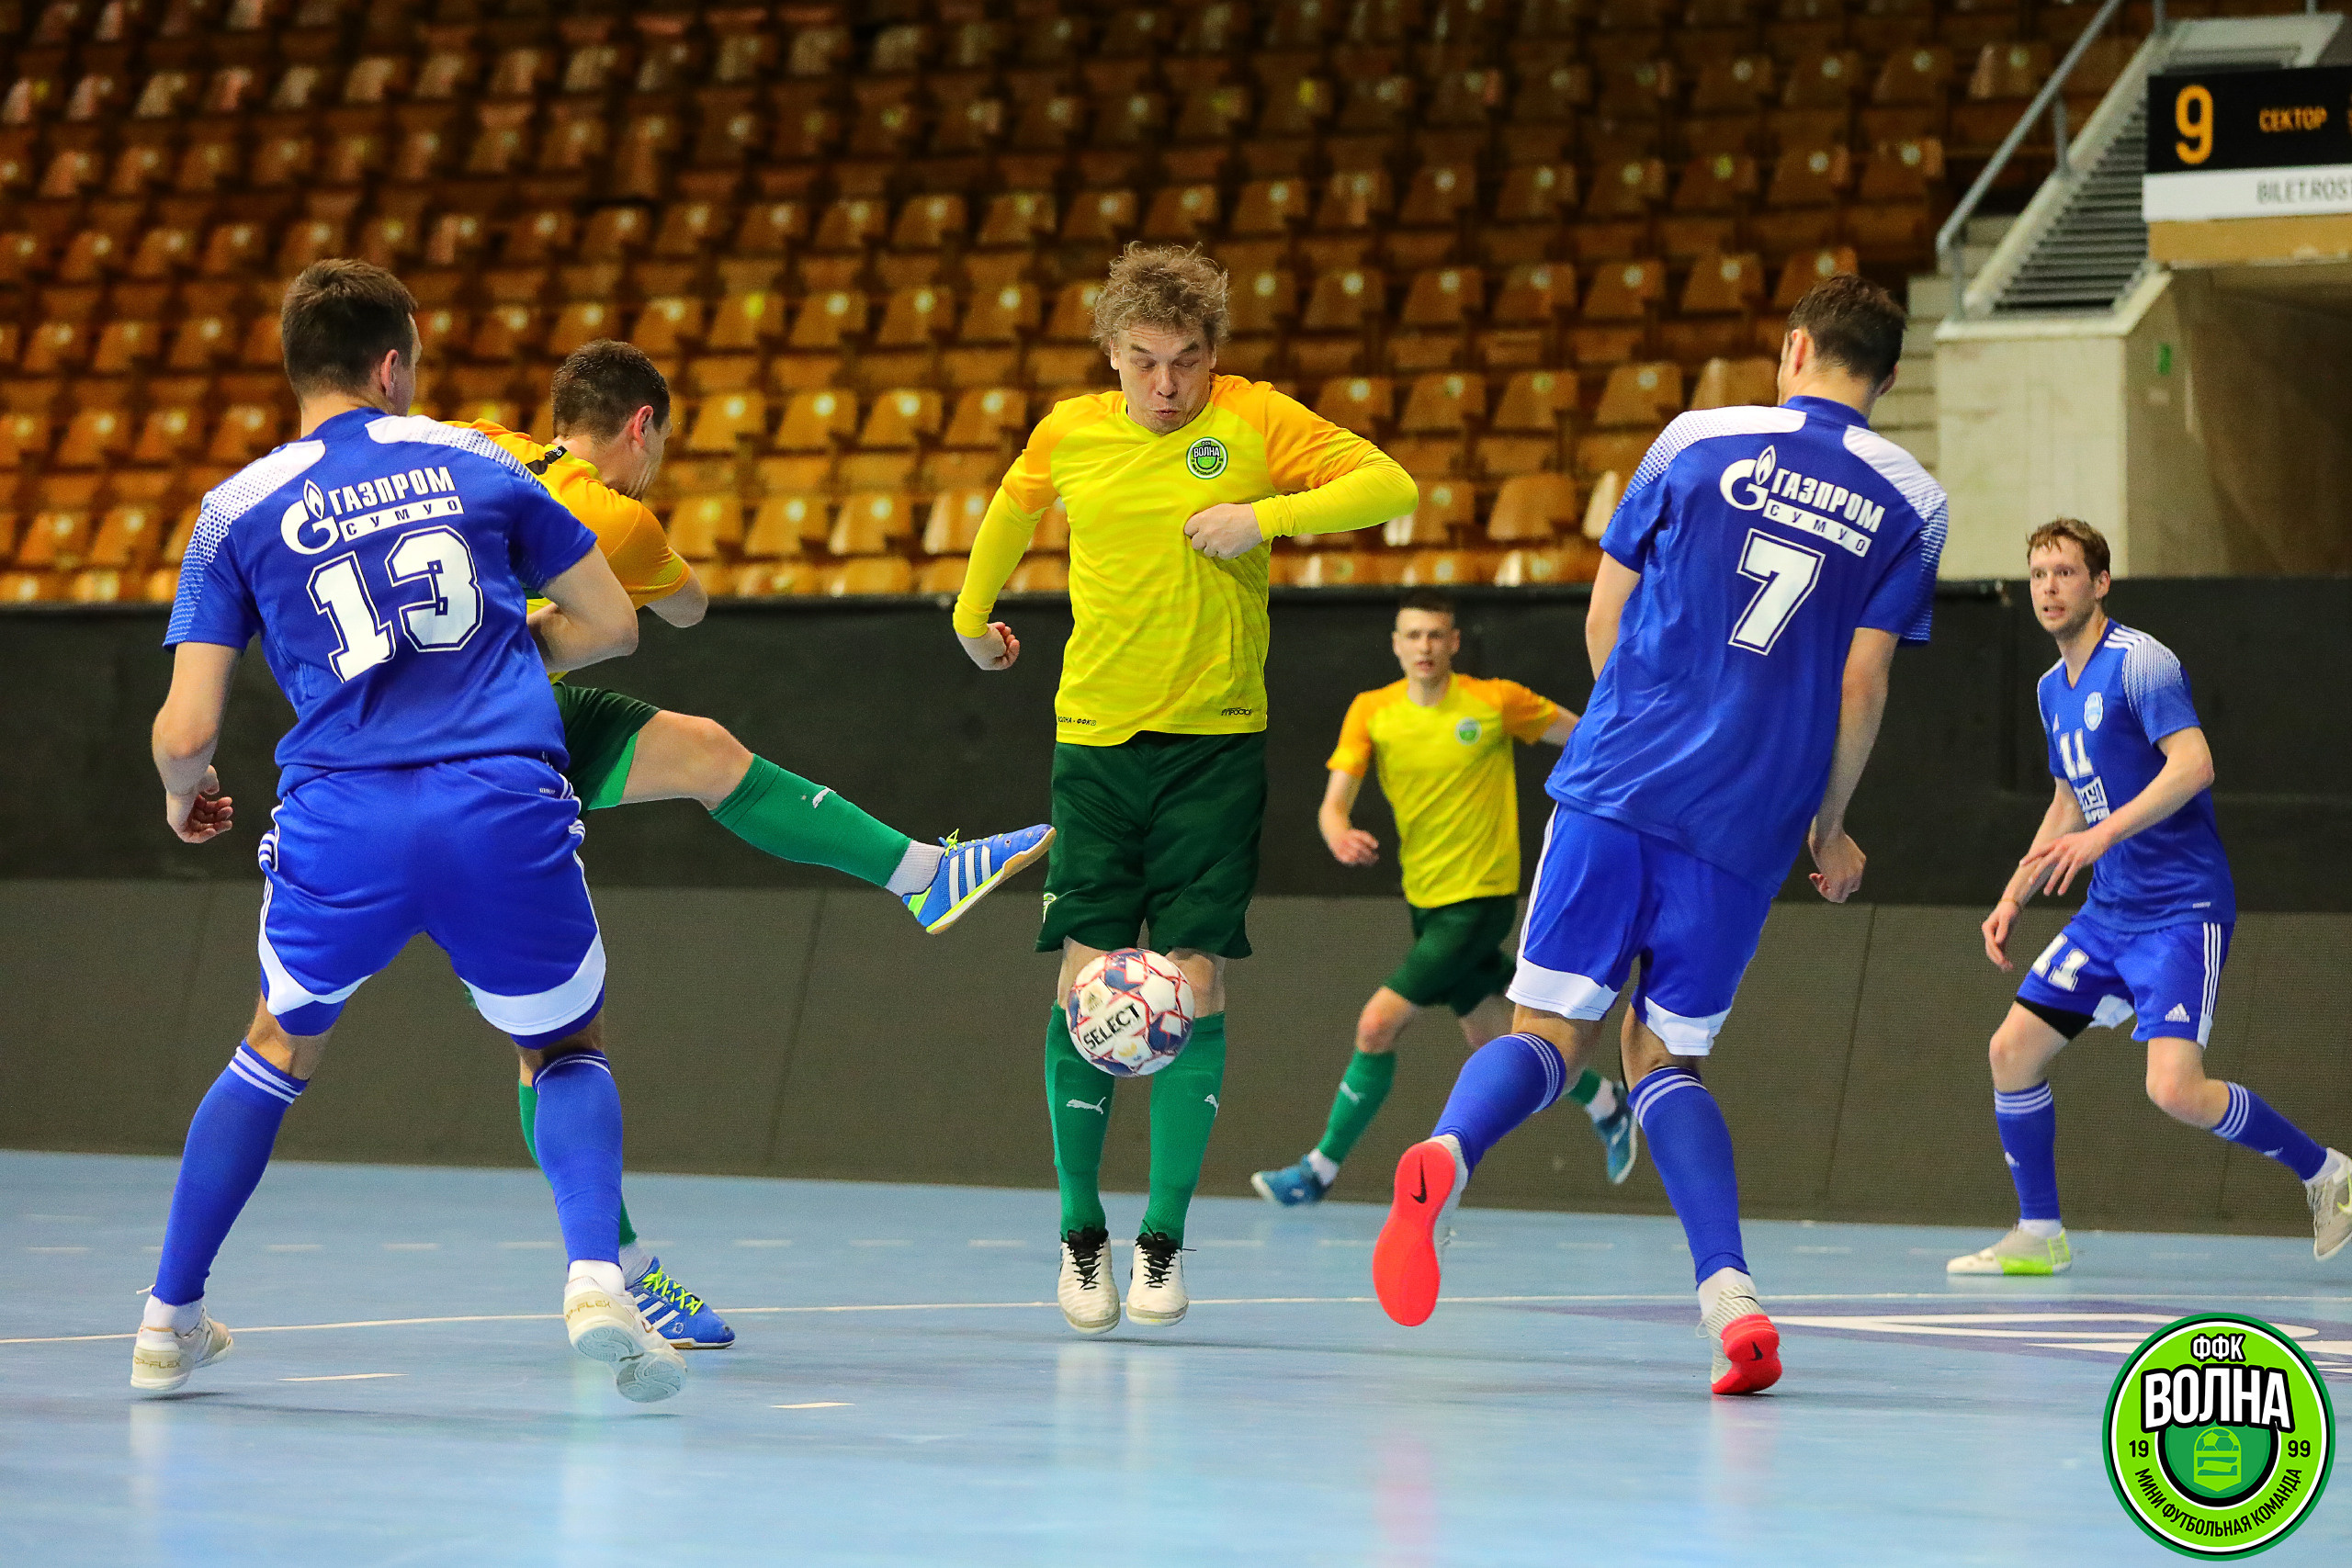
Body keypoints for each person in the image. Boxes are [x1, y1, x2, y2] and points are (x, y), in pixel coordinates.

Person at [1370, 274, 1946, 1397]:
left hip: (1616, 784)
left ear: (1792, 351)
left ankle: (1446, 1152)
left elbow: (1603, 614)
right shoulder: (1912, 500)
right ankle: (1730, 1298)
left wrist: (1628, 736)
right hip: (1745, 822)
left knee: (1548, 1032)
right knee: (1664, 1059)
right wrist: (1827, 824)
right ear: (1884, 378)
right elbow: (1864, 680)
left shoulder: (1693, 437)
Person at [134, 261, 685, 1402]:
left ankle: (166, 1319)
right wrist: (503, 659)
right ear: (394, 366)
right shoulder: (473, 458)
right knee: (564, 1047)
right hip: (499, 801)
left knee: (276, 1047)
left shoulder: (234, 508)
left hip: (345, 819)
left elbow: (187, 727)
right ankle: (594, 1277)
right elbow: (616, 623)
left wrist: (183, 791)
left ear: (299, 369)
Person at [459, 342, 1053, 1348]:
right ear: (640, 428)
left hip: (515, 705)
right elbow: (688, 608)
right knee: (549, 1050)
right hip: (477, 743)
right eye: (660, 444)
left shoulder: (475, 444)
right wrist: (631, 561)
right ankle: (621, 1271)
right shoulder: (616, 515)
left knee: (704, 750)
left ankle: (921, 874)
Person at [952, 243, 1418, 1335]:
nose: (1167, 387)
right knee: (1084, 983)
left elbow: (1390, 483)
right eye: (1146, 361)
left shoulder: (1253, 420)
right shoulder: (1069, 430)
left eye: (1189, 362)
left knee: (1193, 981)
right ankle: (1080, 1235)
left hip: (1214, 743)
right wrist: (970, 619)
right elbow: (1011, 512)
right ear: (1110, 351)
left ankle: (1160, 1242)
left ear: (1217, 355)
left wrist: (1267, 518)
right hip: (1097, 743)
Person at [1954, 518, 2350, 1275]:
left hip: (2180, 909)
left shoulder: (2142, 663)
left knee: (2174, 1089)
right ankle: (2040, 1232)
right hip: (2109, 913)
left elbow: (2194, 765)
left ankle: (2328, 1172)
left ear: (2099, 583)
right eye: (2038, 574)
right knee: (2011, 1051)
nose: (2048, 587)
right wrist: (2016, 891)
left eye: (2065, 573)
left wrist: (2105, 838)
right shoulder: (2050, 689)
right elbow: (2070, 801)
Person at [1251, 589, 1635, 1206]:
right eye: (1413, 635)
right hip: (1425, 904)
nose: (1425, 646)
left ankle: (1318, 1170)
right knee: (1501, 1044)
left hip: (1480, 901)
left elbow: (1592, 738)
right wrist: (1337, 833)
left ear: (1453, 642)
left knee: (1377, 1024)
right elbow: (1332, 804)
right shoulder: (1373, 711)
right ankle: (1607, 1102)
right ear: (1397, 645)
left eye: (1436, 634)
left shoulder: (1494, 701)